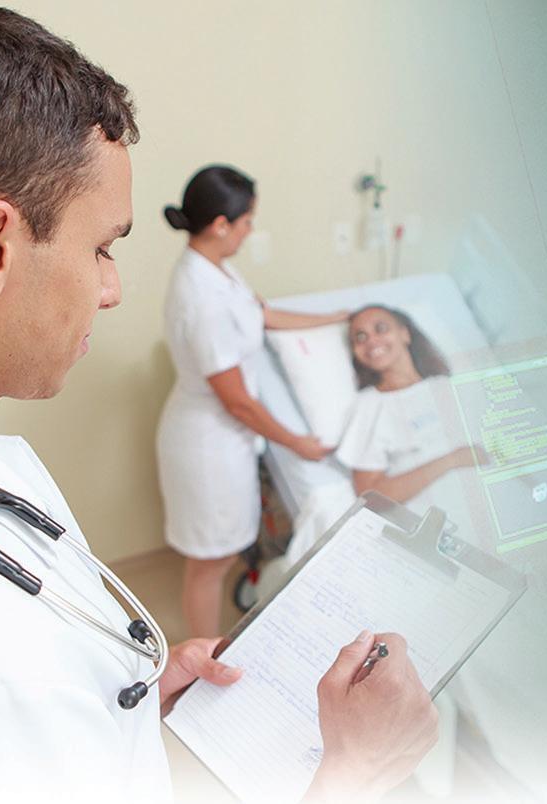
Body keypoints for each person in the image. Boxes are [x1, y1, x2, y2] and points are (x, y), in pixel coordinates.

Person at [0, 8, 434, 799]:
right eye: (101, 248)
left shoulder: (6, 470)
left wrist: (143, 697)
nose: (112, 289)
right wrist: (357, 769)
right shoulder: (1, 665)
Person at [155, 164, 351, 638]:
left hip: (226, 439)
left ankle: (209, 652)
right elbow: (237, 402)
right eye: (247, 222)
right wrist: (297, 443)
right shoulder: (201, 296)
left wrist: (334, 318)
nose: (251, 230)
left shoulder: (217, 268)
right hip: (208, 445)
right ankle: (202, 660)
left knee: (221, 555)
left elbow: (263, 315)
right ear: (221, 225)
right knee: (210, 563)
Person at [336, 305, 476, 531]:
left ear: (405, 334)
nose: (371, 341)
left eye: (381, 329)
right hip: (444, 525)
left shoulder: (447, 387)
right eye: (360, 337)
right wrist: (452, 460)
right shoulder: (369, 406)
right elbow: (370, 496)